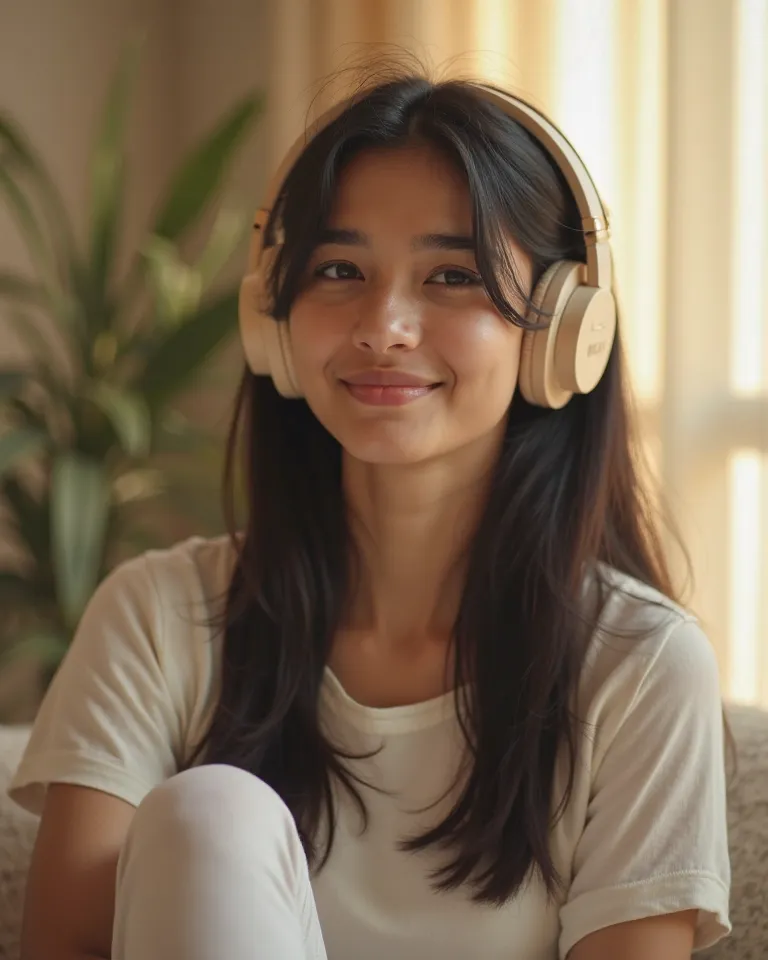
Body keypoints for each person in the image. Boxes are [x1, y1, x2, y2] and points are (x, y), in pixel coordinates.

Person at [10, 72, 730, 960]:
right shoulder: (156, 617)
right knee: (213, 813)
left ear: (559, 332)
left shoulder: (642, 664)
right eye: (340, 270)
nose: (385, 326)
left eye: (453, 275)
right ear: (272, 319)